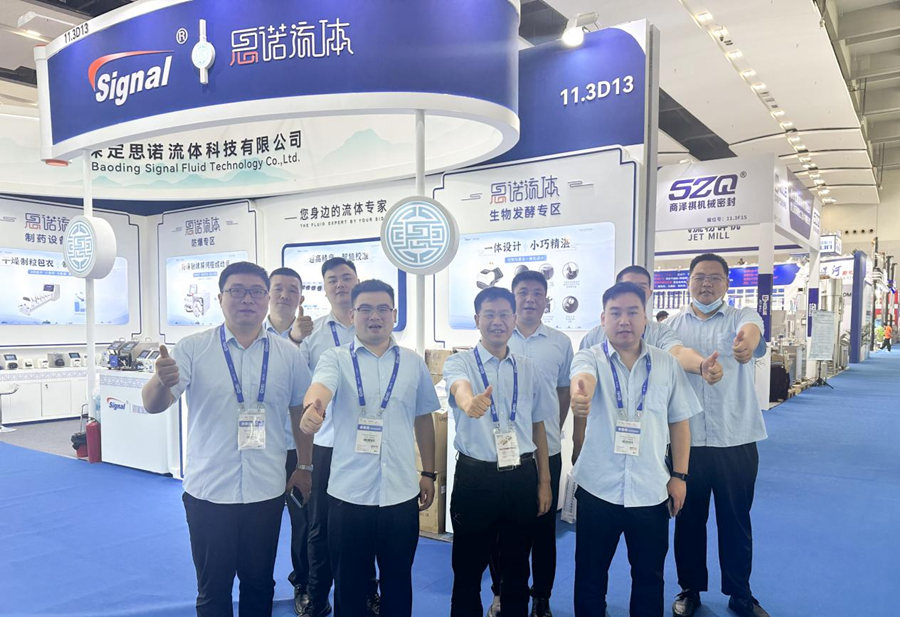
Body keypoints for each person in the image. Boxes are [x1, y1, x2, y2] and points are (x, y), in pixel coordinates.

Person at [142, 261, 312, 617]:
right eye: (237, 291)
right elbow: (154, 404)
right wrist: (160, 380)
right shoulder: (193, 348)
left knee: (259, 584)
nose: (247, 299)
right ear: (220, 298)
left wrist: (305, 465)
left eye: (256, 292)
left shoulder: (289, 354)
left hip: (265, 491)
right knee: (212, 589)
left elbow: (299, 411)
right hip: (209, 492)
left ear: (266, 299)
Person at [298, 279, 440, 617]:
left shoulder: (412, 363)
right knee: (349, 585)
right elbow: (320, 389)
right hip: (349, 495)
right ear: (352, 315)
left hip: (400, 494)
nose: (374, 316)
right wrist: (313, 408)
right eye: (365, 309)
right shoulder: (335, 358)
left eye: (382, 309)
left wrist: (429, 473)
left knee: (398, 582)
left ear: (394, 314)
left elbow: (423, 418)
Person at [569, 281, 702, 617]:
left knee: (649, 577)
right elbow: (582, 378)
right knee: (589, 576)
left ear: (645, 318)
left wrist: (680, 476)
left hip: (650, 490)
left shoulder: (666, 365)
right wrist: (581, 394)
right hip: (598, 489)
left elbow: (680, 423)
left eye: (632, 312)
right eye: (615, 313)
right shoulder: (589, 357)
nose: (624, 320)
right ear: (603, 318)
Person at [667, 253, 770, 617]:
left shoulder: (742, 317)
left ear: (727, 283)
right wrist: (700, 365)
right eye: (699, 277)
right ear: (689, 282)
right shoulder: (672, 325)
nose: (706, 283)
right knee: (688, 521)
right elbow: (676, 353)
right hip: (688, 443)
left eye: (714, 277)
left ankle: (741, 593)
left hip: (735, 438)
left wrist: (745, 346)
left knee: (736, 520)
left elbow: (752, 333)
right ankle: (689, 589)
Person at [443, 286, 555, 617]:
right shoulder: (460, 362)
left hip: (521, 476)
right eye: (489, 315)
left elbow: (538, 426)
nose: (497, 321)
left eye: (504, 314)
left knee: (517, 568)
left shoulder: (528, 368)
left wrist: (544, 482)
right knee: (467, 569)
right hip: (476, 478)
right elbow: (459, 387)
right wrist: (468, 402)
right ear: (477, 319)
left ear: (514, 318)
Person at [487, 270, 574, 617]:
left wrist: (553, 428)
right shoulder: (496, 337)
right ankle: (502, 592)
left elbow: (564, 391)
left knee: (542, 528)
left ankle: (541, 597)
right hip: (503, 451)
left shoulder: (559, 342)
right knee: (500, 528)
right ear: (513, 297)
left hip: (545, 449)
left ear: (546, 300)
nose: (530, 299)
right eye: (523, 292)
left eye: (537, 293)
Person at [296, 257, 379, 617]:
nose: (341, 284)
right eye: (333, 280)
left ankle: (368, 592)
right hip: (326, 444)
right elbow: (298, 380)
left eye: (347, 277)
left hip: (367, 446)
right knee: (320, 526)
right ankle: (317, 596)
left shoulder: (376, 329)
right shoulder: (312, 334)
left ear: (358, 281)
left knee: (366, 521)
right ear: (325, 288)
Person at [576, 266, 722, 463]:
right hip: (603, 450)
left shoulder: (661, 333)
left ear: (650, 293)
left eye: (641, 287)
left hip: (653, 451)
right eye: (628, 285)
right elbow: (582, 380)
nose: (634, 291)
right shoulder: (593, 338)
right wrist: (578, 441)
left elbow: (677, 353)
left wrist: (701, 364)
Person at [266, 267, 315, 614]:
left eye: (292, 289)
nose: (285, 295)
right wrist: (293, 339)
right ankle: (258, 583)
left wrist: (298, 339)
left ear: (301, 296)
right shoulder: (254, 333)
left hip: (300, 449)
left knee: (304, 523)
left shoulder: (313, 335)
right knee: (260, 522)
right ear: (268, 293)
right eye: (278, 288)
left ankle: (304, 583)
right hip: (264, 447)